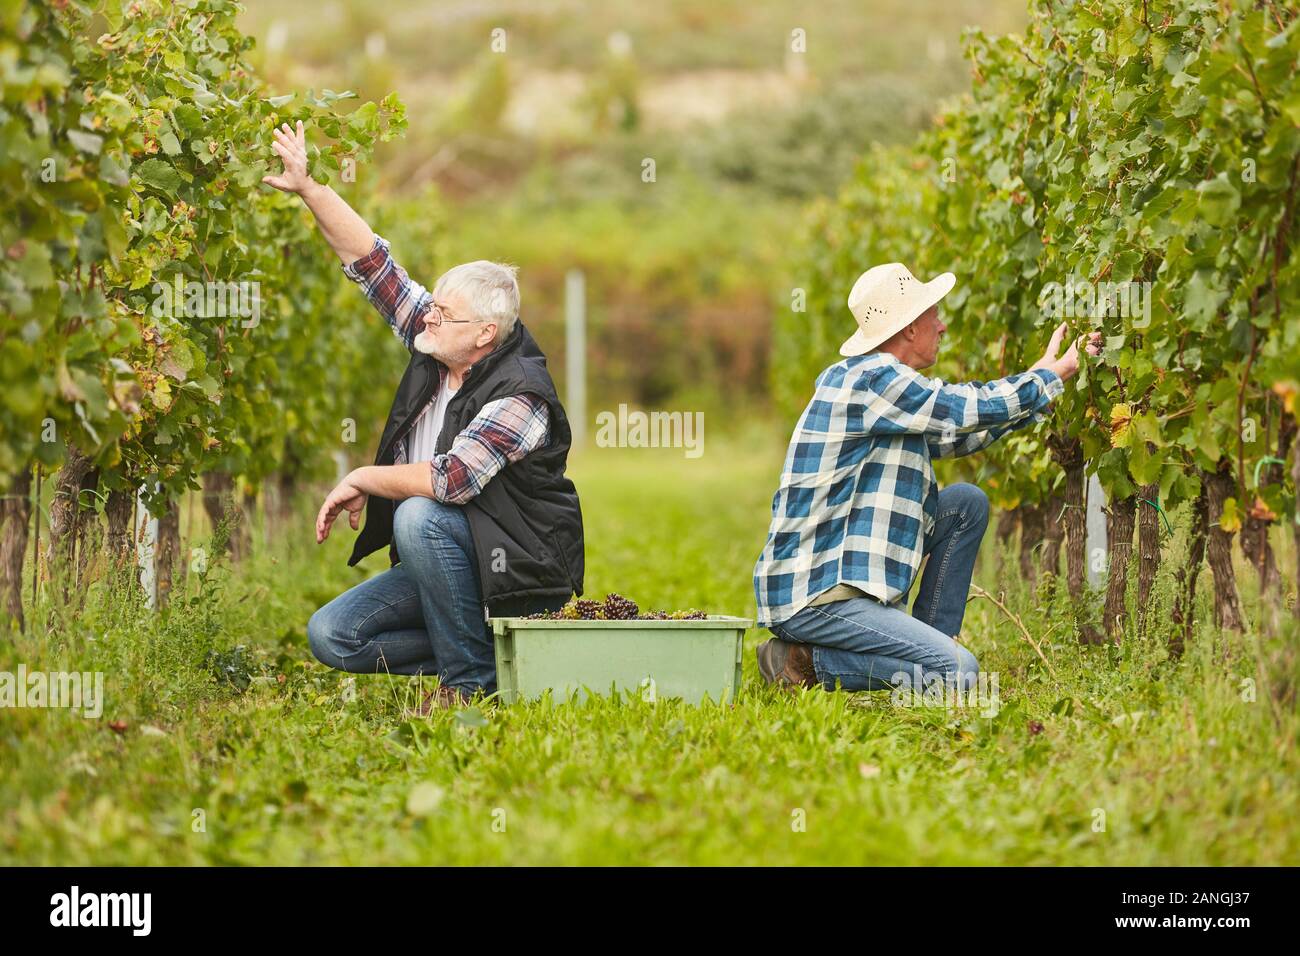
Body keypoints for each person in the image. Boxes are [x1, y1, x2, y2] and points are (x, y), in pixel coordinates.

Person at [262, 122, 584, 713]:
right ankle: (489, 656)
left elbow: (450, 480)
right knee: (334, 635)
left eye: (443, 314)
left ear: (485, 333)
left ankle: (469, 689)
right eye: (431, 307)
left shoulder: (521, 395)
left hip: (517, 570)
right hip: (453, 569)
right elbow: (372, 265)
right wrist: (310, 188)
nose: (427, 320)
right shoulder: (441, 342)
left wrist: (362, 476)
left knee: (418, 515)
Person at [752, 262, 1100, 695]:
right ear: (910, 329)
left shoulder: (884, 392)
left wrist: (1038, 390)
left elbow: (957, 434)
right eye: (934, 315)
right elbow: (956, 406)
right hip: (819, 597)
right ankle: (799, 662)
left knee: (964, 503)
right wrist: (1049, 377)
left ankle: (930, 643)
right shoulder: (873, 380)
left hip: (840, 592)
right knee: (958, 674)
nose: (943, 326)